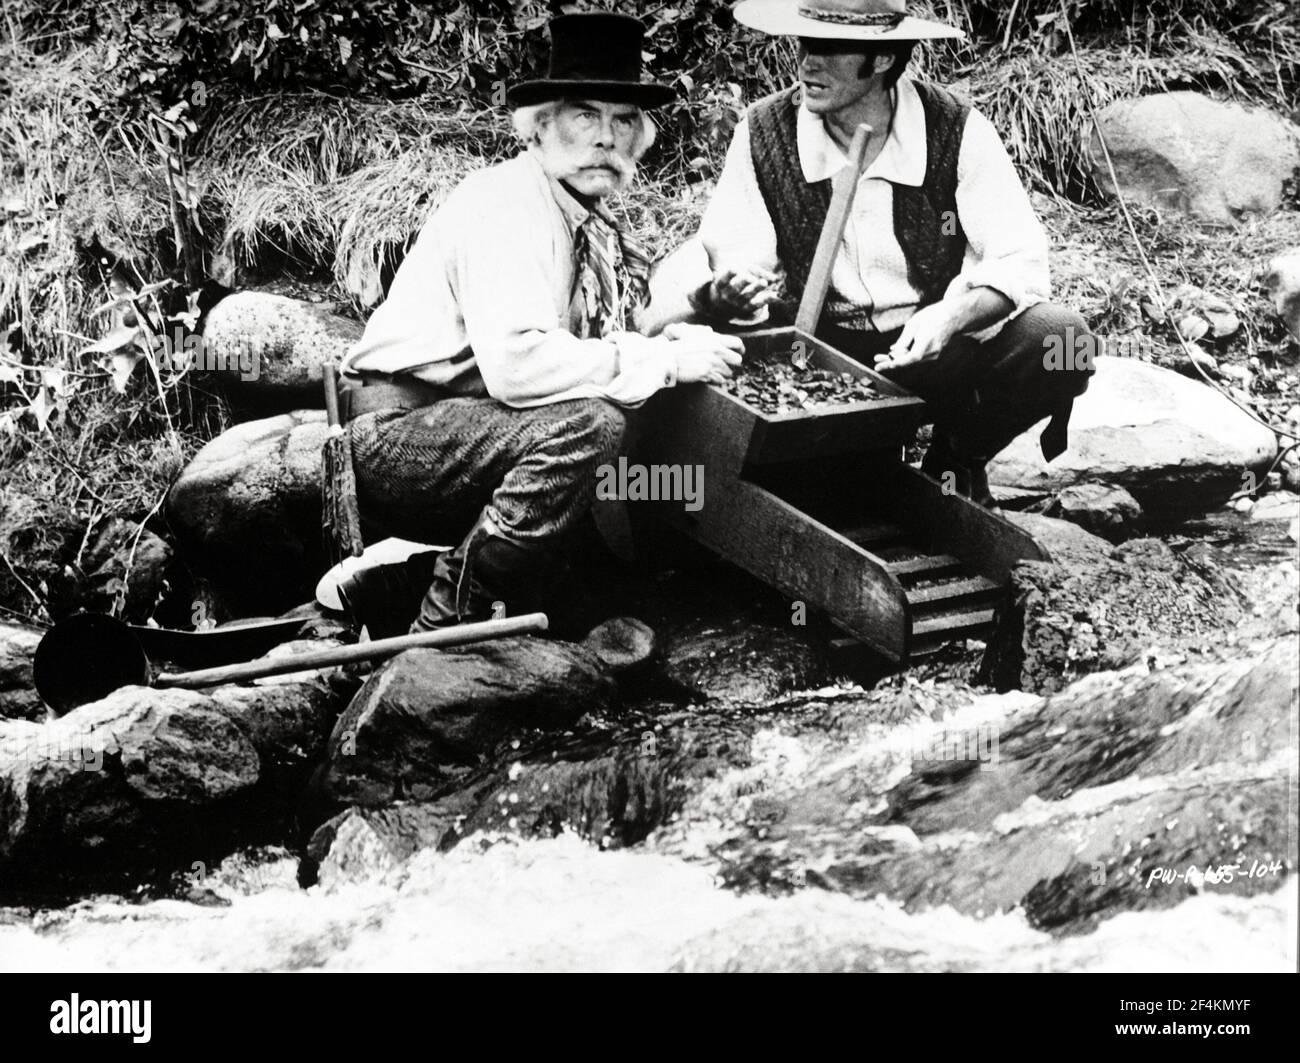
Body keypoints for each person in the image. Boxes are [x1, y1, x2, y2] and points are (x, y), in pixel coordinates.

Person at [335, 12, 743, 637]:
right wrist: (661, 360)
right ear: (541, 126)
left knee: (625, 403)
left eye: (623, 120)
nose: (605, 138)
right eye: (586, 115)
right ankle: (447, 620)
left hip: (469, 429)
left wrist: (701, 309)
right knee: (593, 422)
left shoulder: (585, 216)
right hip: (397, 437)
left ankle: (395, 587)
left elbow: (610, 332)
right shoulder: (505, 205)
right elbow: (520, 367)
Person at [677, 0, 1095, 505]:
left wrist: (950, 318)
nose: (807, 63)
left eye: (830, 49)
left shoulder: (954, 128)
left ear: (882, 59)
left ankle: (955, 459)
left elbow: (1020, 261)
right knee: (700, 348)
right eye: (804, 44)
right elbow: (737, 253)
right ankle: (813, 469)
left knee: (1063, 340)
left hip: (929, 352)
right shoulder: (765, 132)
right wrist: (735, 291)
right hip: (816, 354)